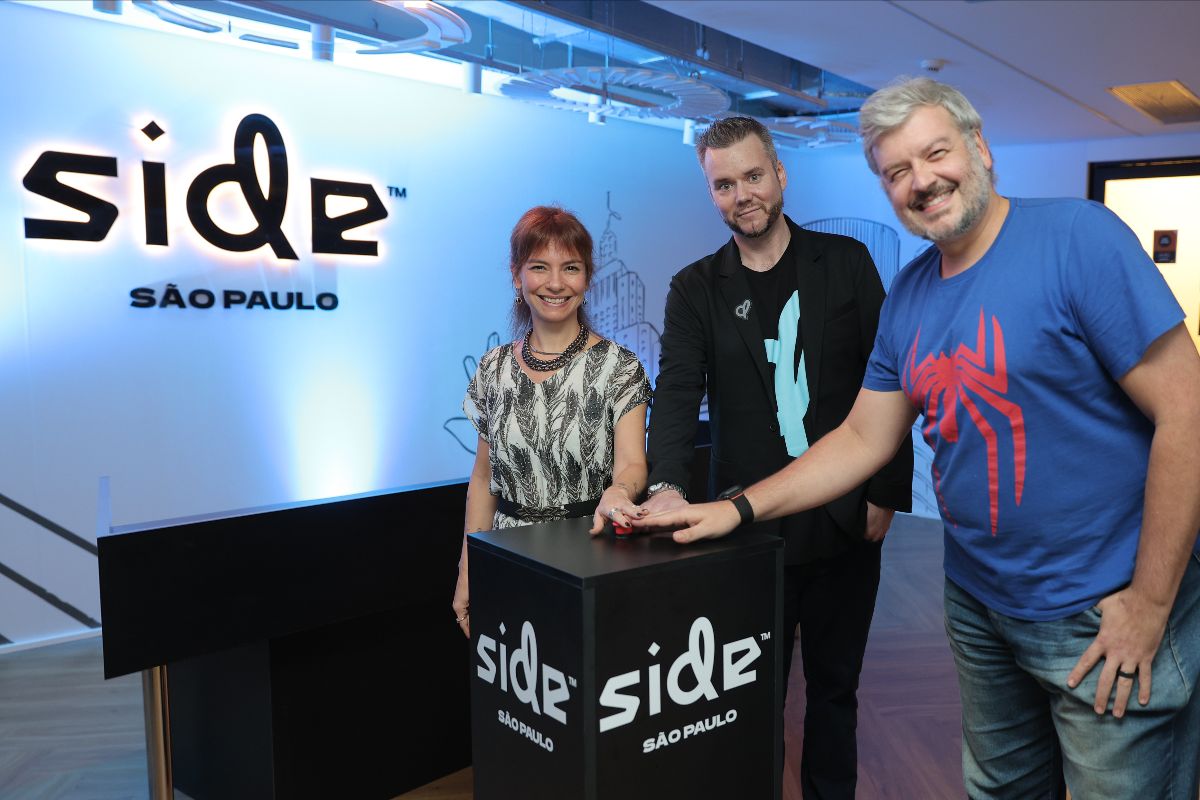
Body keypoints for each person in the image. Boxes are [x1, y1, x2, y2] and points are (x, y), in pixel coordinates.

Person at [633, 78, 1200, 800]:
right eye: (896, 171)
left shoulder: (1078, 237)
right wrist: (731, 508)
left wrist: (1151, 603)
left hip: (1098, 610)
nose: (921, 181)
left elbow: (1188, 413)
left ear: (980, 147)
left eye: (935, 154)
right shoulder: (911, 295)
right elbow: (864, 434)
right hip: (979, 605)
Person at [637, 116, 913, 799]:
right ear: (712, 193)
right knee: (749, 698)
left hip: (846, 520)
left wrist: (885, 491)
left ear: (780, 175)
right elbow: (675, 394)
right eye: (724, 184)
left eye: (753, 176)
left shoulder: (846, 264)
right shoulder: (695, 289)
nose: (742, 194)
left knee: (835, 692)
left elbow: (893, 378)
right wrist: (667, 484)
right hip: (744, 533)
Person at [452, 205, 652, 638]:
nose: (556, 283)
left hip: (590, 558)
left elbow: (634, 465)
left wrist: (620, 490)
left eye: (571, 268)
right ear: (516, 275)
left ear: (587, 277)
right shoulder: (493, 368)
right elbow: (484, 479)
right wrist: (469, 568)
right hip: (507, 559)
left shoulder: (620, 368)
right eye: (539, 267)